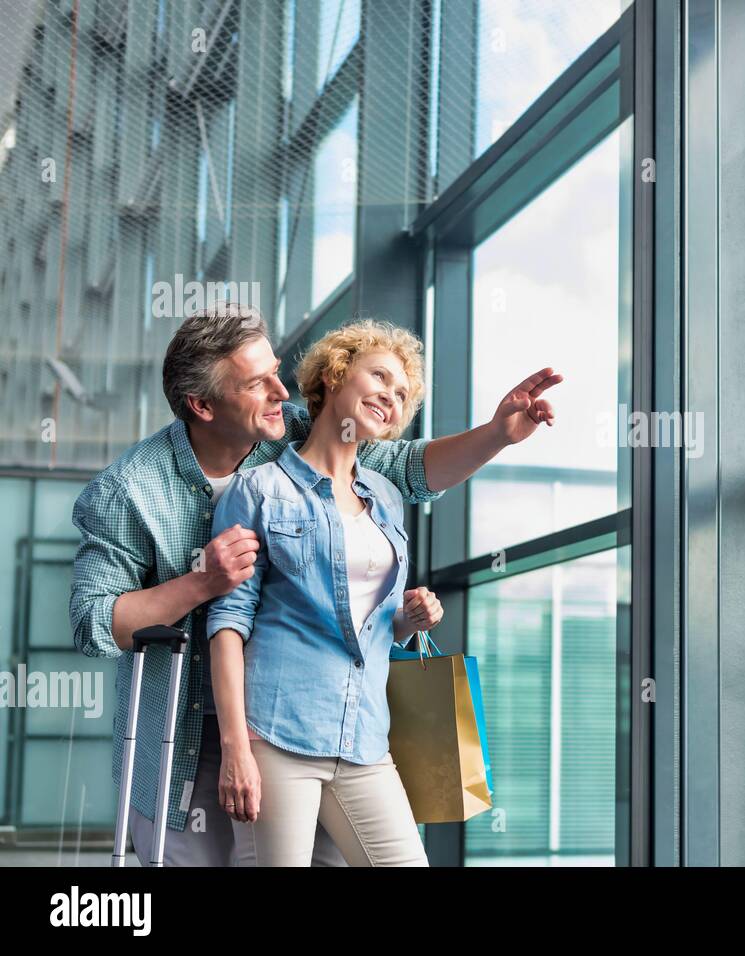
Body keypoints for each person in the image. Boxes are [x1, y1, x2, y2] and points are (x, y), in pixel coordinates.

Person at [69, 304, 562, 865]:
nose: (282, 392)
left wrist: (496, 435)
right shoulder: (129, 491)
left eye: (277, 371)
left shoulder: (293, 431)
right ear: (202, 405)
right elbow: (93, 623)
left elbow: (408, 470)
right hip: (185, 732)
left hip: (309, 718)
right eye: (257, 383)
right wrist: (201, 583)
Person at [207, 320, 443, 865]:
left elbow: (374, 625)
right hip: (277, 735)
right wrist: (236, 748)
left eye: (402, 393)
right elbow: (227, 623)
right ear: (334, 376)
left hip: (364, 738)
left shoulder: (385, 497)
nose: (391, 394)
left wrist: (410, 618)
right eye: (379, 376)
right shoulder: (258, 490)